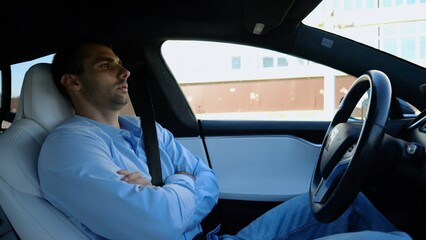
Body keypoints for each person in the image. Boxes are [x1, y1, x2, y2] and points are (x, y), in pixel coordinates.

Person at [37, 41, 412, 240]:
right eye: (106, 65)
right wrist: (183, 183)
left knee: (349, 202)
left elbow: (210, 182)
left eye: (120, 61)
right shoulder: (70, 146)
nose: (124, 71)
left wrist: (166, 188)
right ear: (72, 82)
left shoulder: (143, 130)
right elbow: (160, 225)